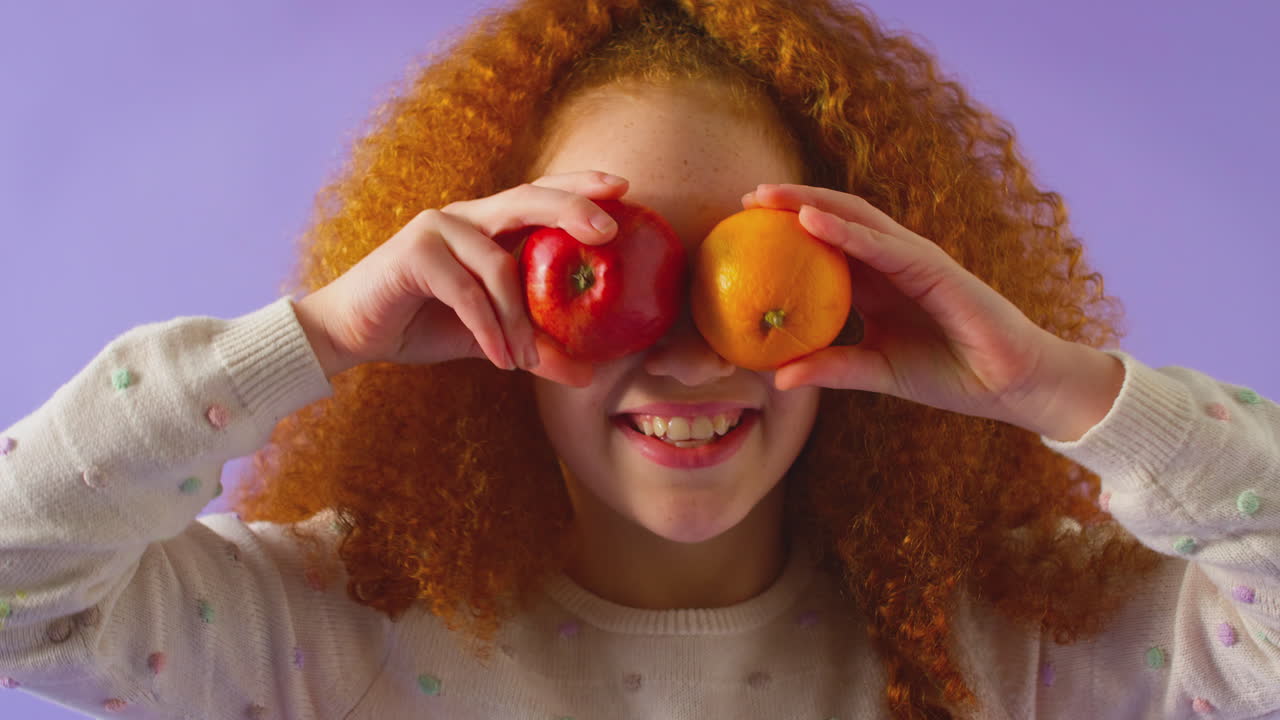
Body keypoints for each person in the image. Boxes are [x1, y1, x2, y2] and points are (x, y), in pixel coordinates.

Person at [1, 0, 1276, 717]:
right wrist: (322, 340)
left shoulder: (1022, 644)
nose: (679, 357)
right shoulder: (327, 631)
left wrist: (1054, 389)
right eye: (612, 266)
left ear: (860, 289)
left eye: (735, 274)